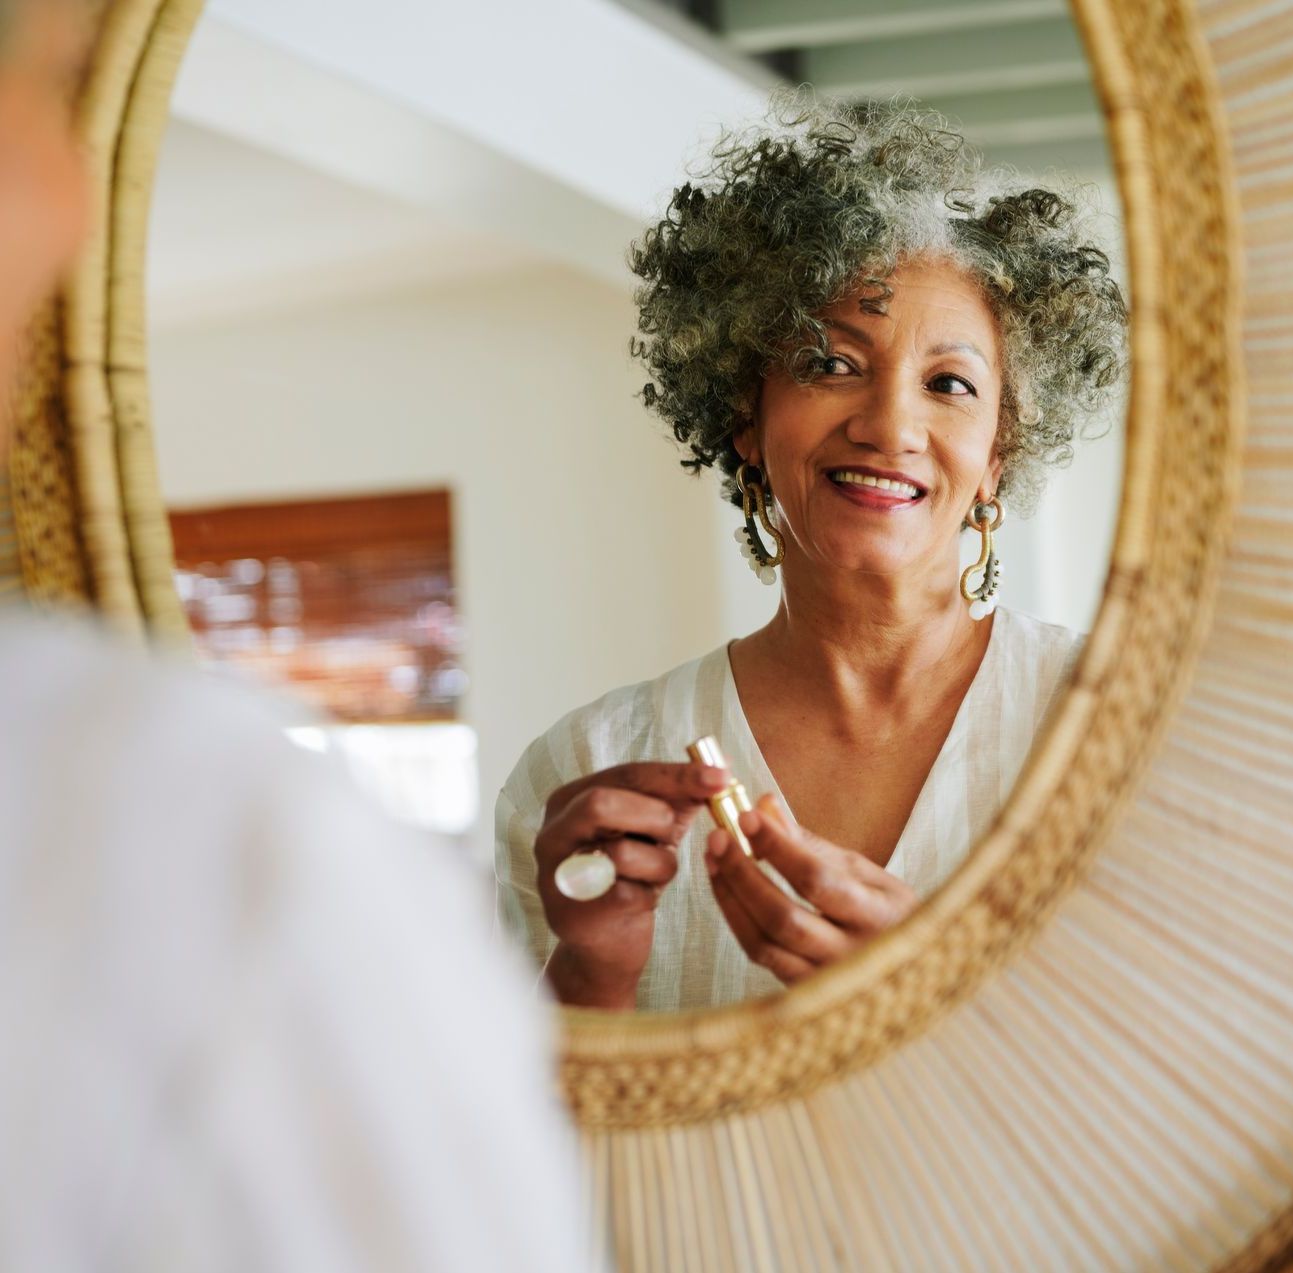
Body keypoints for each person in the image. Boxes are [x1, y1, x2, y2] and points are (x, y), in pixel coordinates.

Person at [0, 2, 592, 1268]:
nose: (76, 201)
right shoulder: (211, 846)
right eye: (48, 86)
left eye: (949, 382)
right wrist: (595, 962)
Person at [497, 95, 1128, 1012]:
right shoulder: (585, 764)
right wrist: (590, 974)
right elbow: (506, 1141)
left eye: (949, 384)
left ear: (999, 456)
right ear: (746, 418)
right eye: (831, 363)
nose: (889, 425)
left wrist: (933, 991)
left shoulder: (1115, 726)